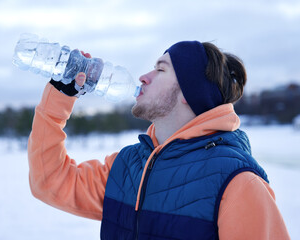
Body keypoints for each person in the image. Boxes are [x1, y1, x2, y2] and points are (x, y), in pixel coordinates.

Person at [28, 41, 290, 239]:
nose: (144, 77)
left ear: (188, 92)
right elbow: (50, 182)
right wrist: (60, 96)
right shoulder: (127, 167)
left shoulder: (238, 183)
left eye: (160, 69)